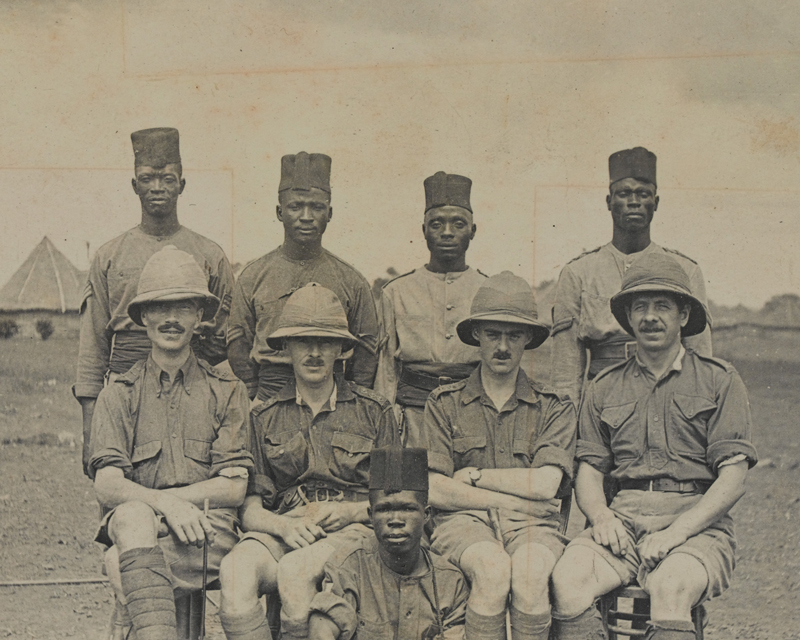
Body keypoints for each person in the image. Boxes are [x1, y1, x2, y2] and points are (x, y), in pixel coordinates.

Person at [549, 252, 757, 640]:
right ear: (627, 318)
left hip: (697, 524)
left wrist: (676, 532)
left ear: (683, 315)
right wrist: (601, 518)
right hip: (624, 519)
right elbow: (590, 472)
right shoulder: (604, 386)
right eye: (639, 306)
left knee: (670, 586)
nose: (649, 316)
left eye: (663, 305)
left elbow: (733, 479)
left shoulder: (719, 380)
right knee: (567, 579)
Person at [87, 246, 253, 640]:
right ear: (144, 315)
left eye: (183, 307)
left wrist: (183, 506)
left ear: (199, 316)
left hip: (209, 533)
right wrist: (167, 503)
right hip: (142, 527)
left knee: (120, 562)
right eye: (160, 307)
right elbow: (107, 484)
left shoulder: (227, 390)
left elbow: (234, 485)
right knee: (130, 518)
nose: (171, 319)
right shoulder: (119, 394)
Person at [218, 283, 398, 640]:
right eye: (303, 341)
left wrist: (350, 512)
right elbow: (250, 510)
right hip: (289, 529)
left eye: (325, 342)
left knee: (296, 571)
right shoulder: (263, 417)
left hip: (355, 532)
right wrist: (283, 527)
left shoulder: (375, 411)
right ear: (285, 348)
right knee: (235, 571)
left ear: (342, 350)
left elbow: (397, 502)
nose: (314, 353)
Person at [411, 272, 577, 640]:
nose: (502, 346)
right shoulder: (444, 403)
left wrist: (471, 476)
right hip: (462, 525)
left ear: (529, 339)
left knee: (531, 572)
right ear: (476, 336)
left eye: (514, 335)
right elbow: (435, 490)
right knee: (492, 567)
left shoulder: (554, 406)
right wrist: (510, 501)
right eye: (492, 334)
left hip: (534, 528)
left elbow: (547, 483)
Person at [75, 127, 234, 474]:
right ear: (134, 185)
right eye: (147, 178)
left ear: (182, 185)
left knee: (193, 486)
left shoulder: (209, 255)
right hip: (125, 391)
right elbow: (92, 347)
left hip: (192, 386)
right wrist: (91, 428)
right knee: (120, 491)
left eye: (167, 178)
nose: (157, 187)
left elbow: (227, 335)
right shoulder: (108, 256)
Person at [550, 146, 712, 402]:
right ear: (609, 202)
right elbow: (566, 372)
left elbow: (699, 358)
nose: (634, 201)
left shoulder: (686, 270)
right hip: (603, 397)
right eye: (624, 193)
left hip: (667, 394)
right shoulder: (578, 272)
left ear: (655, 203)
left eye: (643, 194)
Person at [227, 152, 380, 402]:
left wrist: (349, 401)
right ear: (279, 212)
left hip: (333, 394)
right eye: (296, 206)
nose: (306, 216)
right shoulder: (254, 276)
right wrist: (255, 392)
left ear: (329, 213)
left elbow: (366, 349)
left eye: (316, 207)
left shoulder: (350, 280)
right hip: (271, 391)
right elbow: (237, 342)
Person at [308, 447, 470, 640]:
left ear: (426, 515)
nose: (395, 519)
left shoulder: (451, 582)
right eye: (384, 509)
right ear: (370, 516)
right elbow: (322, 629)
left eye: (407, 509)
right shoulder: (349, 567)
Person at [375, 171, 487, 444]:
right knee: (410, 485)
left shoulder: (488, 290)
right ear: (423, 230)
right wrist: (385, 425)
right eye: (436, 224)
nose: (447, 232)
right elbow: (386, 369)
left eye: (458, 224)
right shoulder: (396, 292)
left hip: (473, 415)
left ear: (473, 231)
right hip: (413, 416)